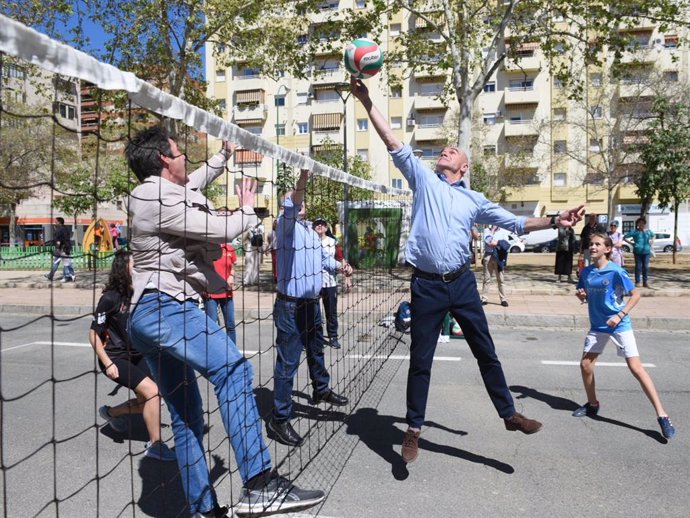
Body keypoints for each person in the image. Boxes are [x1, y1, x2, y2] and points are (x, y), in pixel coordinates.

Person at [351, 75, 585, 464]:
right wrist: (366, 101)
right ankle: (413, 430)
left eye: (453, 150)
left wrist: (556, 220)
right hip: (426, 286)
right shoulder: (424, 180)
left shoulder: (475, 200)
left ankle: (509, 414)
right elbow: (392, 141)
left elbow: (516, 223)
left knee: (485, 352)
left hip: (461, 283)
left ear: (464, 166)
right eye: (444, 148)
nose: (447, 149)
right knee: (420, 361)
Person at [125, 126, 324, 518]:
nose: (186, 158)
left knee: (186, 419)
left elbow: (192, 183)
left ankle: (204, 511)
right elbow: (219, 228)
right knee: (233, 370)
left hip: (152, 315)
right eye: (180, 151)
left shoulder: (159, 192)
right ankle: (260, 484)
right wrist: (247, 210)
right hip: (165, 308)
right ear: (165, 158)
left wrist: (223, 157)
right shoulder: (151, 194)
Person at [268, 169, 353, 447]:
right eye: (295, 200)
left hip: (310, 304)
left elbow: (322, 261)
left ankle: (321, 390)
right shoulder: (285, 226)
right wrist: (302, 178)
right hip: (290, 306)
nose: (301, 203)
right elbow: (293, 202)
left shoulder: (309, 232)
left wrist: (342, 267)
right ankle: (279, 419)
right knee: (288, 362)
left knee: (316, 350)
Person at [573, 233, 675, 439]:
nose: (592, 247)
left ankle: (662, 416)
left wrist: (620, 315)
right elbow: (582, 292)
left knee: (636, 368)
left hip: (619, 325)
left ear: (608, 249)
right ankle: (593, 405)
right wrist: (582, 296)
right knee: (585, 365)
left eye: (597, 244)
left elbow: (635, 294)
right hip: (598, 326)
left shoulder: (616, 271)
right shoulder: (587, 272)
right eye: (591, 244)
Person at [89, 250, 176, 461]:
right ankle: (155, 444)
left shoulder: (138, 293)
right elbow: (93, 335)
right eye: (134, 265)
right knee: (153, 393)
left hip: (137, 355)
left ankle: (111, 414)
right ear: (123, 269)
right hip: (115, 358)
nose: (138, 268)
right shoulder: (109, 298)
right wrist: (108, 363)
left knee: (152, 397)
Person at [313, 217, 341, 349]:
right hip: (313, 283)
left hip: (330, 283)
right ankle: (315, 338)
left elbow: (340, 258)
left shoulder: (333, 242)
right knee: (313, 312)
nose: (320, 226)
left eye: (322, 224)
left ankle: (333, 337)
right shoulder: (310, 241)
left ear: (326, 227)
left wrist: (347, 275)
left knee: (331, 312)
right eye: (317, 224)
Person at [205, 241, 238, 345]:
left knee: (230, 324)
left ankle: (232, 351)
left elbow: (233, 266)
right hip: (210, 292)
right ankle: (212, 349)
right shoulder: (206, 247)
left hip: (226, 292)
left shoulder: (229, 248)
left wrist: (231, 276)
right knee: (212, 325)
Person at [481, 225, 510, 307]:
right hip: (488, 255)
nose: (494, 223)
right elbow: (489, 241)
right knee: (487, 279)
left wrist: (497, 243)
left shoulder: (503, 231)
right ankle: (484, 299)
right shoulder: (487, 230)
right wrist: (493, 231)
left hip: (499, 257)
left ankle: (503, 299)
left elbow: (506, 245)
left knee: (500, 279)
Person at [624, 217, 654, 288]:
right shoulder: (635, 232)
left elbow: (653, 236)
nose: (641, 224)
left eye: (643, 223)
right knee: (638, 267)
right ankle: (637, 282)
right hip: (637, 252)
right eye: (640, 223)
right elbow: (624, 237)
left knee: (645, 267)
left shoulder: (648, 232)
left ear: (644, 224)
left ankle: (645, 282)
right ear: (637, 224)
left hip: (646, 251)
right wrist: (632, 243)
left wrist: (652, 240)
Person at [44, 217, 75, 282]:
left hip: (63, 248)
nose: (55, 222)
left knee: (65, 263)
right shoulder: (65, 229)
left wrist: (58, 246)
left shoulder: (60, 230)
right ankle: (51, 275)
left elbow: (59, 240)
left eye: (56, 221)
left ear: (59, 222)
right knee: (58, 262)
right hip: (63, 248)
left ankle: (66, 276)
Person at [243, 221, 264, 285]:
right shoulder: (261, 229)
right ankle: (255, 280)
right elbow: (262, 239)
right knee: (256, 265)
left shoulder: (249, 228)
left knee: (249, 264)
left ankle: (247, 280)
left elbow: (244, 238)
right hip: (258, 248)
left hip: (250, 247)